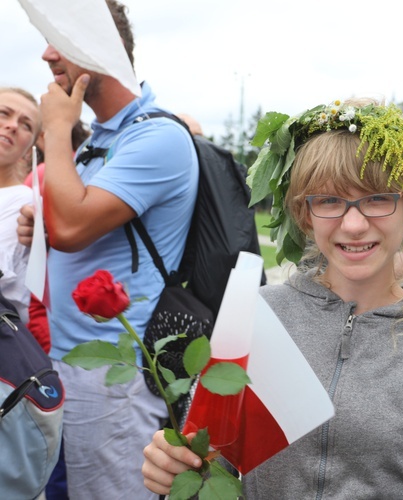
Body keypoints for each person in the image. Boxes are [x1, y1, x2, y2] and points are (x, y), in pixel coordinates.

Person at [142, 99, 403, 498]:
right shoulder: (258, 315)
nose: (354, 225)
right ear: (304, 214)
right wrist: (174, 468)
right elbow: (210, 462)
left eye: (377, 198)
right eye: (329, 200)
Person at [16, 1, 199, 497]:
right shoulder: (99, 141)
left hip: (116, 374)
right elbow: (66, 221)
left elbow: (74, 227)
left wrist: (55, 127)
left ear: (102, 49)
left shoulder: (157, 135)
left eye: (62, 39)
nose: (47, 53)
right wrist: (43, 223)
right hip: (73, 361)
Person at [0, 87, 41, 324]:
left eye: (26, 125)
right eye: (4, 113)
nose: (13, 125)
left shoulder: (22, 200)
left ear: (29, 150)